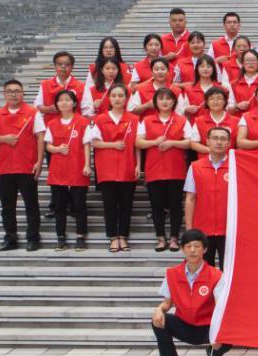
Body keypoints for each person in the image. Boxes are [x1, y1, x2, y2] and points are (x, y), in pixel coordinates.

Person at [150, 229, 232, 356]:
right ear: (182, 249)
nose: (192, 250)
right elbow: (167, 303)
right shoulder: (172, 273)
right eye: (188, 246)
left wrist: (217, 332)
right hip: (184, 325)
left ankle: (215, 355)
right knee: (158, 319)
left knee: (230, 330)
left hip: (208, 327)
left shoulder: (216, 275)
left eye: (197, 246)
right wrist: (159, 309)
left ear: (204, 249)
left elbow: (220, 306)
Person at [0, 79, 45, 252]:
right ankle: (10, 238)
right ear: (4, 94)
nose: (13, 94)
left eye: (17, 91)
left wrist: (39, 161)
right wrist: (4, 139)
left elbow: (41, 137)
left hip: (26, 166)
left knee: (31, 204)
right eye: (10, 91)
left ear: (23, 93)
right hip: (4, 168)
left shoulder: (32, 112)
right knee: (7, 207)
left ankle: (33, 238)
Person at [138, 88, 193, 252]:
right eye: (161, 98)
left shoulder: (181, 120)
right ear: (155, 102)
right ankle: (160, 238)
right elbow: (138, 142)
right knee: (157, 206)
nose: (164, 102)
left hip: (175, 170)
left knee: (175, 205)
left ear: (174, 102)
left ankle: (174, 238)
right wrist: (154, 142)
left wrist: (173, 143)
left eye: (168, 99)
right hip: (154, 169)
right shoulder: (147, 120)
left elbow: (190, 142)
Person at [86, 83, 139, 253]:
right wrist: (113, 145)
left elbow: (137, 145)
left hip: (127, 166)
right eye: (114, 95)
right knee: (109, 204)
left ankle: (123, 236)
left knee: (126, 204)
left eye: (121, 96)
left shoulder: (134, 119)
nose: (117, 99)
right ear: (109, 98)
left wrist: (138, 164)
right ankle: (113, 237)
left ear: (126, 99)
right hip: (106, 167)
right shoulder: (100, 119)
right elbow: (94, 142)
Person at [40, 89, 90, 251]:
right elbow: (48, 145)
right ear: (56, 104)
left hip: (77, 168)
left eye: (67, 100)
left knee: (79, 206)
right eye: (60, 100)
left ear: (74, 103)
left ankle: (80, 237)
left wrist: (87, 165)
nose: (64, 103)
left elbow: (86, 145)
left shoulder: (82, 122)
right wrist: (56, 149)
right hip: (58, 170)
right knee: (60, 207)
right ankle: (60, 238)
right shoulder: (52, 123)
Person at [183, 127, 231, 266]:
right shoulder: (195, 167)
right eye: (215, 138)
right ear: (208, 141)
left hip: (229, 229)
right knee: (204, 270)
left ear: (229, 143)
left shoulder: (236, 167)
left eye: (223, 139)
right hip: (202, 229)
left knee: (228, 270)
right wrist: (189, 228)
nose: (219, 142)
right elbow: (190, 198)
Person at [190, 87, 238, 153]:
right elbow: (193, 143)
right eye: (212, 99)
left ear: (225, 101)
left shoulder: (236, 121)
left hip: (229, 158)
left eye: (219, 98)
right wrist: (213, 151)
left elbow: (239, 144)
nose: (215, 101)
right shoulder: (199, 121)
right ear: (207, 102)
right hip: (206, 157)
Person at [228, 50, 258, 115]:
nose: (251, 63)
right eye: (248, 60)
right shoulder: (234, 84)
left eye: (253, 60)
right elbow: (229, 110)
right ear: (242, 63)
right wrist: (237, 106)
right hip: (240, 119)